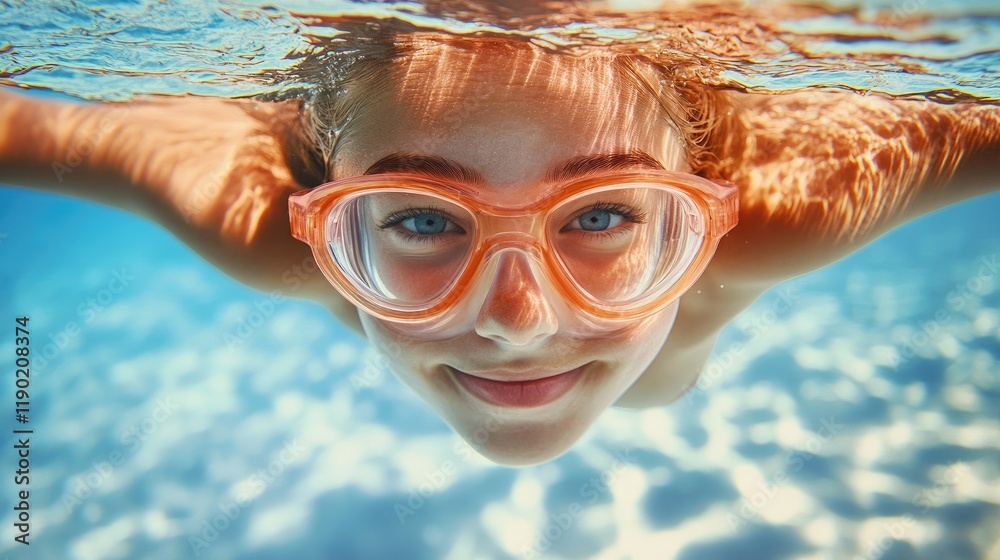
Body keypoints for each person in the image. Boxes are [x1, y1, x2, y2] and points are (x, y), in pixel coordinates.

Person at [1, 33, 997, 465]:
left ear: (707, 212)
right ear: (321, 216)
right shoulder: (259, 222)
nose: (517, 322)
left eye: (600, 216)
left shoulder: (799, 204)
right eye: (424, 218)